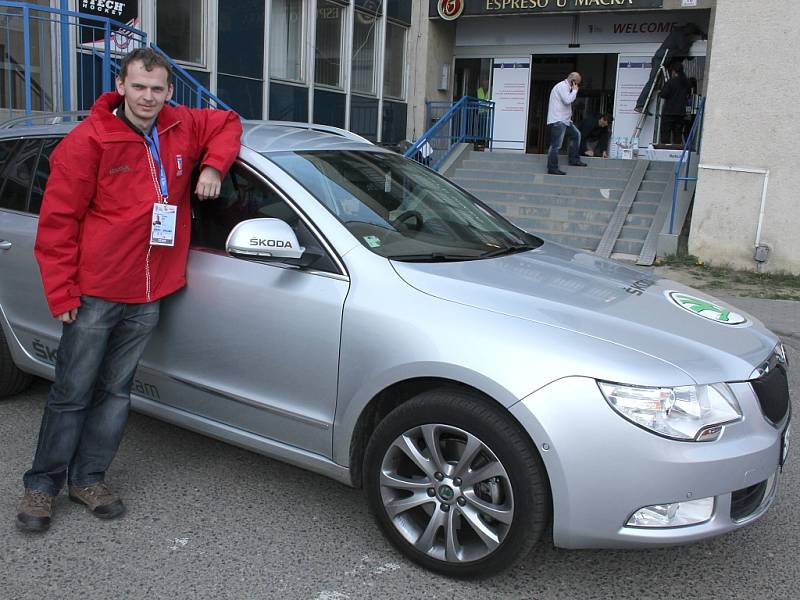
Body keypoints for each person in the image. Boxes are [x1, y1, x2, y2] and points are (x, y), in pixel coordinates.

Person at [16, 48, 242, 532]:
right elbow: (57, 225)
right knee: (72, 391)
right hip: (97, 291)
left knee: (116, 392)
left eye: (157, 88)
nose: (147, 97)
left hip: (149, 292)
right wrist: (63, 293)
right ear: (121, 85)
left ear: (169, 92)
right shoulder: (88, 140)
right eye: (139, 86)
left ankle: (88, 479)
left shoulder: (181, 126)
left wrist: (212, 168)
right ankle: (41, 488)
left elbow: (227, 121)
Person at [635, 23, 705, 113]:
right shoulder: (678, 33)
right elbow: (684, 48)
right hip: (660, 60)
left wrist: (699, 36)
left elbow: (689, 57)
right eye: (691, 34)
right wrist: (692, 42)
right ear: (688, 30)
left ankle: (644, 105)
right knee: (653, 81)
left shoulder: (681, 35)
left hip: (666, 62)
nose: (691, 36)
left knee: (658, 85)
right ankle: (640, 104)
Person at [546, 72, 587, 175]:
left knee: (576, 135)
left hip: (565, 121)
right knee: (556, 145)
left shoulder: (564, 87)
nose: (577, 85)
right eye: (577, 83)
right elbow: (567, 100)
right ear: (573, 81)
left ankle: (574, 159)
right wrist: (575, 91)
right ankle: (552, 168)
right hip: (558, 121)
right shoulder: (562, 86)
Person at [658, 63, 690, 146]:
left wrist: (659, 92)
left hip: (669, 112)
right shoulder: (686, 82)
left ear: (674, 71)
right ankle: (676, 152)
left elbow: (664, 94)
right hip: (681, 113)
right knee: (677, 134)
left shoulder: (671, 81)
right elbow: (688, 95)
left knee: (665, 134)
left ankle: (666, 152)